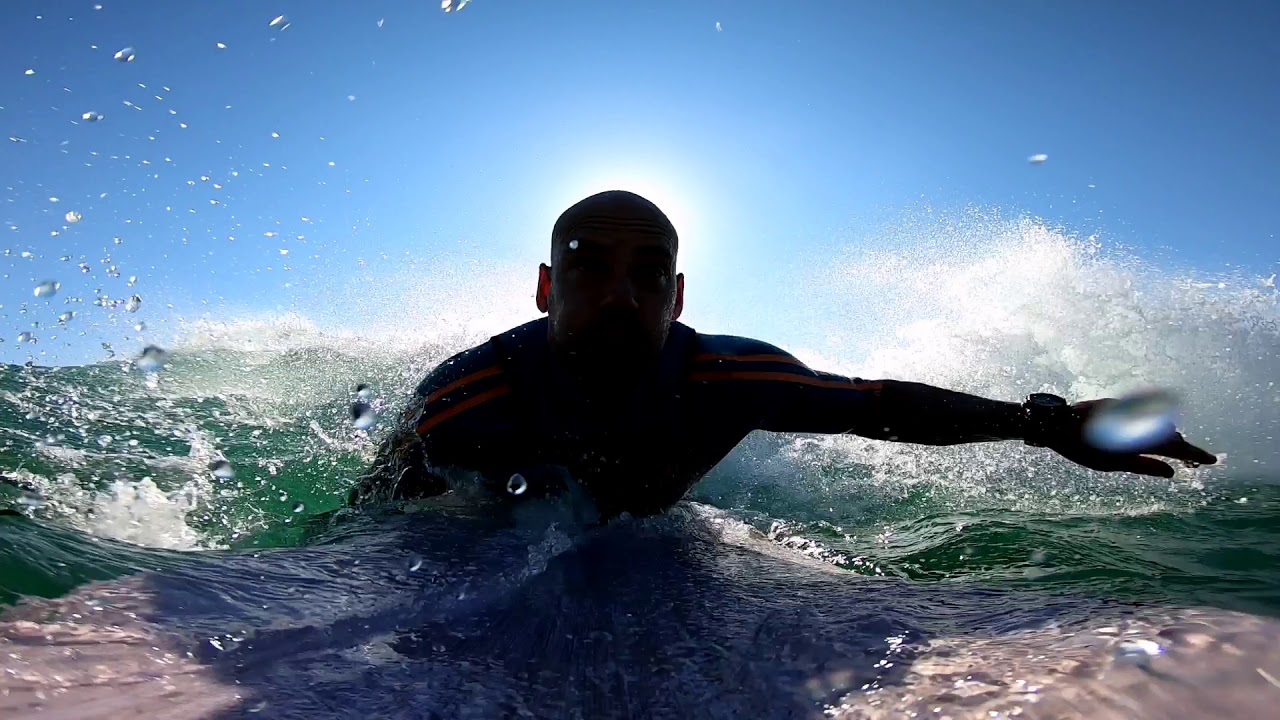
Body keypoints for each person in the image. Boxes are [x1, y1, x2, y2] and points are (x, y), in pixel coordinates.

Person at [347, 190, 1216, 518]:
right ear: (545, 289)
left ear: (679, 298)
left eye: (650, 276)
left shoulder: (724, 380)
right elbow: (370, 511)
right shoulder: (471, 399)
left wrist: (1046, 423)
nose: (621, 294)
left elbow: (880, 406)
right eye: (590, 270)